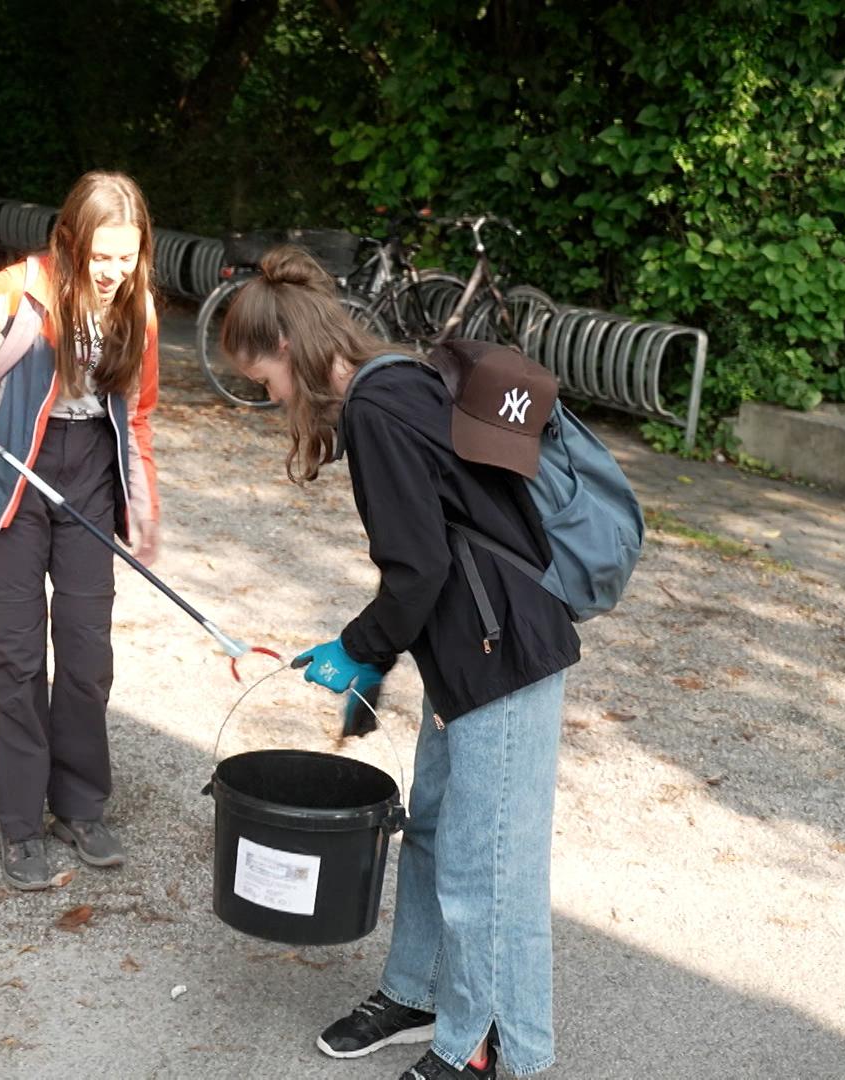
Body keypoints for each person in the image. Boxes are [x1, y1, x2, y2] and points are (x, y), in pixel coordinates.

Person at [220, 248, 579, 1079]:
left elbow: (418, 567)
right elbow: (431, 552)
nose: (268, 398)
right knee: (435, 836)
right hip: (468, 656)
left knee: (488, 868)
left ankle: (487, 1050)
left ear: (293, 350)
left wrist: (359, 649)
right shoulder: (392, 381)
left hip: (502, 658)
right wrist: (364, 657)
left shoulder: (377, 409)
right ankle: (418, 992)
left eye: (263, 378)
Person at [0, 172, 161, 890]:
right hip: (11, 483)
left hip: (88, 485)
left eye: (127, 257)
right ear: (71, 242)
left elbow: (135, 417)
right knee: (17, 662)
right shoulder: (22, 290)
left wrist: (142, 508)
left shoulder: (138, 311)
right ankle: (20, 826)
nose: (113, 273)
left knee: (86, 653)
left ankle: (80, 804)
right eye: (101, 256)